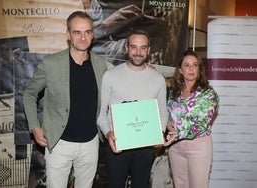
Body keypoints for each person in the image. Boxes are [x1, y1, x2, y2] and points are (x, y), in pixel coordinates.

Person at [23, 11, 107, 188]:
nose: (83, 37)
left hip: (90, 144)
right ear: (68, 35)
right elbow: (29, 94)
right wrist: (34, 127)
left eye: (87, 32)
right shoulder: (51, 63)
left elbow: (122, 78)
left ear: (92, 34)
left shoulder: (101, 64)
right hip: (60, 143)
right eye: (77, 32)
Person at [97, 30, 168, 188]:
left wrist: (159, 133)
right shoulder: (111, 75)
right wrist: (108, 133)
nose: (138, 52)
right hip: (118, 145)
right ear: (126, 48)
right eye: (134, 47)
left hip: (146, 146)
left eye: (143, 48)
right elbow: (101, 112)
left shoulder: (158, 79)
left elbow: (163, 111)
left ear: (149, 50)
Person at [164, 50, 219, 188]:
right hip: (175, 147)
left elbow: (202, 123)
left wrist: (179, 132)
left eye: (195, 65)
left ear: (199, 69)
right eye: (187, 65)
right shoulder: (174, 92)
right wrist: (169, 124)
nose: (191, 69)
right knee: (179, 185)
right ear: (180, 70)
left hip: (198, 146)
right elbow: (170, 114)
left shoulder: (208, 93)